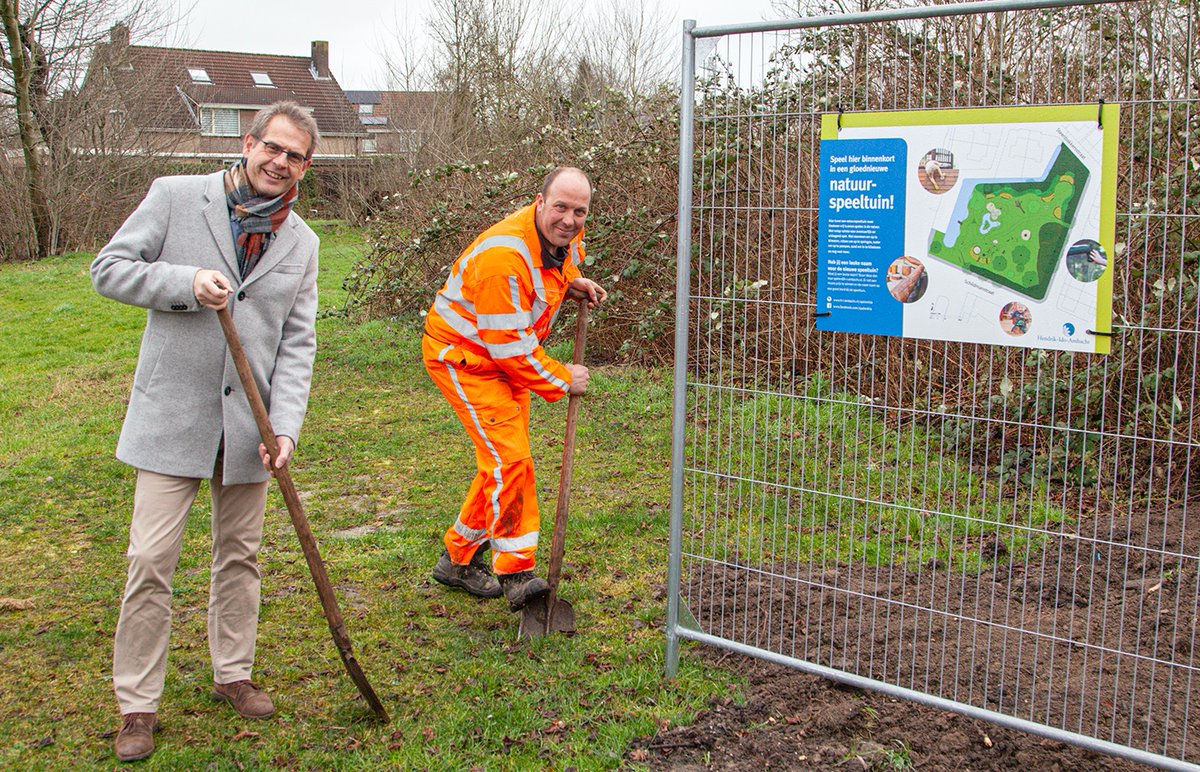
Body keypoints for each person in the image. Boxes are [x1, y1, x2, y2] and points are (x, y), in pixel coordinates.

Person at [91, 101, 320, 762]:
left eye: (294, 155)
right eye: (271, 147)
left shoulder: (301, 241)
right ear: (248, 143)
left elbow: (298, 344)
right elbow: (108, 269)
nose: (279, 162)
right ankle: (137, 704)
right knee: (149, 562)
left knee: (240, 556)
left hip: (249, 426)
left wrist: (287, 430)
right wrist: (183, 282)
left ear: (306, 165)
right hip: (171, 417)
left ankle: (233, 673)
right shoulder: (174, 197)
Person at [423, 167, 607, 612]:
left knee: (501, 461)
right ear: (539, 202)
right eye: (560, 207)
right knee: (511, 459)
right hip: (465, 359)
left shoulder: (561, 239)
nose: (569, 219)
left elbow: (557, 267)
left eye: (579, 211)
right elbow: (510, 351)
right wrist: (564, 378)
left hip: (501, 357)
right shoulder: (504, 257)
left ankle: (458, 559)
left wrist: (572, 280)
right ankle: (515, 572)